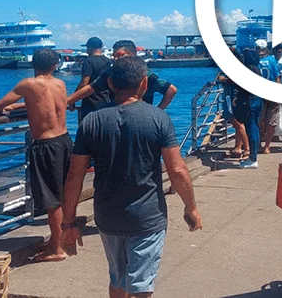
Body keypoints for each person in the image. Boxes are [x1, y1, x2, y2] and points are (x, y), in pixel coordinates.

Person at [60, 57, 202, 297]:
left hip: (107, 216)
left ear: (111, 84)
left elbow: (75, 175)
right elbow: (177, 170)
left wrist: (69, 223)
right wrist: (191, 207)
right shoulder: (158, 119)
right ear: (144, 83)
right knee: (141, 286)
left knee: (118, 277)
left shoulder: (92, 121)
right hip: (147, 217)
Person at [0, 48, 71, 262]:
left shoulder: (28, 84)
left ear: (33, 64)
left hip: (45, 145)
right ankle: (57, 241)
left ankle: (57, 249)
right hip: (64, 141)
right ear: (55, 66)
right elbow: (48, 105)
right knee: (61, 194)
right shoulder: (60, 84)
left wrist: (13, 107)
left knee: (51, 199)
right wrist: (25, 104)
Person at [68, 41, 178, 113]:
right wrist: (68, 101)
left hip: (141, 116)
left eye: (120, 55)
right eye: (114, 56)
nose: (116, 59)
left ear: (132, 55)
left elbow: (171, 90)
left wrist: (158, 111)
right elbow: (91, 88)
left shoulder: (145, 73)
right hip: (116, 116)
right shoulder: (112, 72)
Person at [236, 49, 264, 169]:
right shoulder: (257, 70)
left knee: (251, 129)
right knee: (256, 128)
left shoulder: (247, 70)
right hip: (258, 100)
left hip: (250, 102)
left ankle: (253, 158)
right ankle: (254, 154)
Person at [75, 37, 113, 122]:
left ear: (90, 47)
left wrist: (74, 98)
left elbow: (84, 82)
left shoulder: (88, 61)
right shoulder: (109, 62)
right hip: (107, 102)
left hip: (91, 103)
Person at [256, 40, 282, 154]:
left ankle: (257, 144)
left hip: (258, 94)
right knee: (271, 121)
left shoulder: (254, 60)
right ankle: (267, 146)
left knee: (257, 120)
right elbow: (277, 77)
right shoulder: (272, 60)